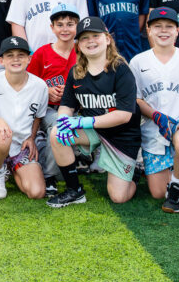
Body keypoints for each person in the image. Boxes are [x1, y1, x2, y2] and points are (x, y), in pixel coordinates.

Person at [48, 16, 143, 207]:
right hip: (95, 131)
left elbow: (124, 116)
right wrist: (63, 121)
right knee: (57, 133)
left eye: (95, 36)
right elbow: (67, 105)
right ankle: (74, 190)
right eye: (84, 38)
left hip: (122, 135)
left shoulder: (121, 70)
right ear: (78, 45)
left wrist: (84, 122)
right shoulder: (76, 71)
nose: (90, 41)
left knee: (118, 197)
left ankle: (134, 173)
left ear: (107, 39)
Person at [131, 7, 179, 213]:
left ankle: (177, 188)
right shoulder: (138, 61)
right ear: (149, 30)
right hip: (154, 127)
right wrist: (155, 115)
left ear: (177, 30)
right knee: (156, 193)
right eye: (157, 27)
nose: (163, 31)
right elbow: (136, 98)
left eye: (169, 27)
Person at [0, 36, 50, 200]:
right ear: (1, 60)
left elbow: (38, 117)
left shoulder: (40, 86)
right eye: (9, 55)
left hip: (21, 147)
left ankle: (13, 167)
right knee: (4, 134)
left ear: (29, 58)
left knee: (36, 192)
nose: (15, 59)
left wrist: (31, 137)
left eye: (21, 55)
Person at [26, 3, 80, 194]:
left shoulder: (83, 52)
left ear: (77, 26)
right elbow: (29, 84)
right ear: (52, 27)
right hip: (49, 108)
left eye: (70, 24)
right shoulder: (42, 52)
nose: (65, 29)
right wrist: (46, 90)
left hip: (78, 109)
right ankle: (49, 175)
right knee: (58, 126)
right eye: (60, 24)